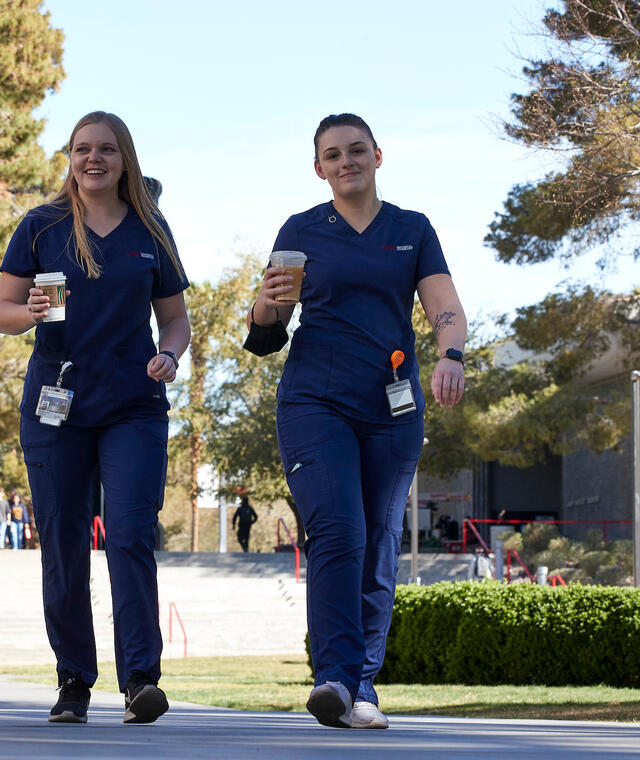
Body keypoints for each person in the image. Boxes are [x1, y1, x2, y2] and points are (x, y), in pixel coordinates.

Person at [246, 113, 467, 730]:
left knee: (379, 542)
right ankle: (336, 681)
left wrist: (451, 355)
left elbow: (445, 306)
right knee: (339, 529)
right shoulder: (301, 230)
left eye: (356, 151)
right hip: (315, 401)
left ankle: (362, 688)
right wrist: (263, 310)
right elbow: (266, 335)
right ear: (319, 168)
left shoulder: (411, 230)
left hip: (391, 409)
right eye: (333, 155)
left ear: (378, 155)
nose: (346, 162)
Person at [0, 111, 190, 725]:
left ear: (125, 158)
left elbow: (175, 319)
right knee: (65, 544)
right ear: (70, 158)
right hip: (56, 408)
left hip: (133, 405)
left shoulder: (151, 229)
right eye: (82, 149)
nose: (93, 158)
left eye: (106, 149)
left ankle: (140, 682)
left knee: (130, 535)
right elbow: (0, 310)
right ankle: (74, 680)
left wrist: (168, 355)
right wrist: (30, 313)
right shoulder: (41, 226)